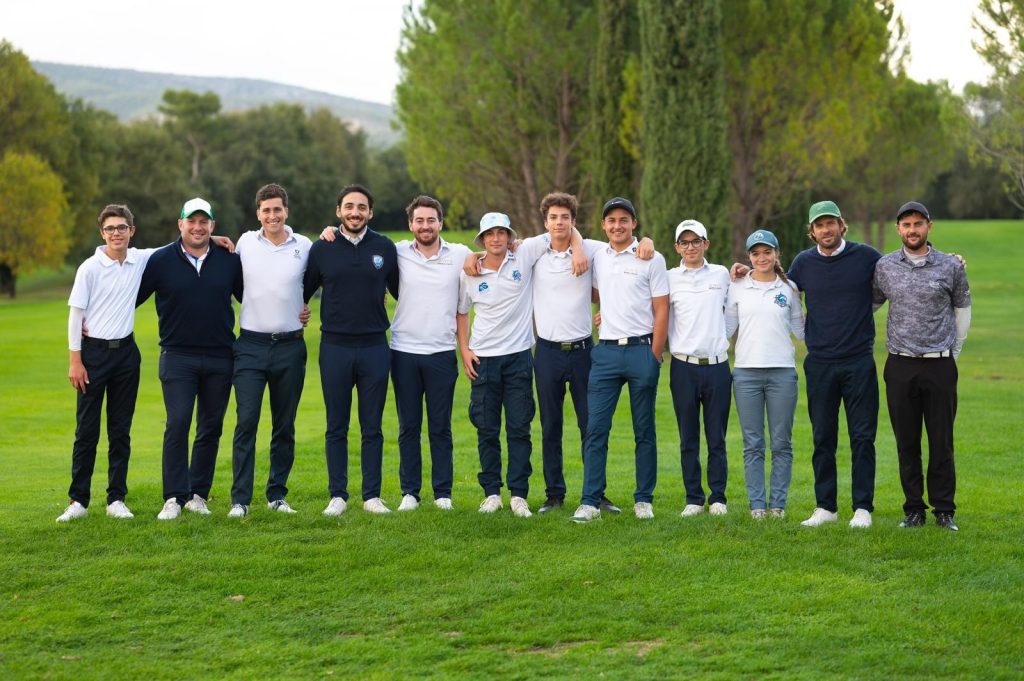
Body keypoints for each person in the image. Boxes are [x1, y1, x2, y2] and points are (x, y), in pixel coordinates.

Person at [530, 191, 650, 516]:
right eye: (554, 217)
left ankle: (596, 494)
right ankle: (554, 494)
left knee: (591, 426)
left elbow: (629, 247)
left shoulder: (594, 249)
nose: (559, 223)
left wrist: (645, 241)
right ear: (545, 222)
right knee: (551, 426)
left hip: (585, 351)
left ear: (573, 222)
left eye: (565, 218)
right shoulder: (535, 251)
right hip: (547, 353)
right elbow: (502, 249)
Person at [137, 197, 244, 520]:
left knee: (210, 427)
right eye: (191, 221)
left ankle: (197, 494)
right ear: (180, 223)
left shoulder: (229, 259)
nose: (197, 227)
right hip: (177, 356)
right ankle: (173, 496)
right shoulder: (160, 261)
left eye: (204, 222)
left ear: (212, 225)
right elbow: (129, 296)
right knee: (178, 423)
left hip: (220, 356)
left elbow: (251, 297)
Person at [872, 201, 970, 531]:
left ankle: (944, 510)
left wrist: (952, 353)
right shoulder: (885, 266)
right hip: (900, 365)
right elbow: (868, 304)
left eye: (918, 223)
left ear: (929, 226)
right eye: (906, 225)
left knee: (941, 441)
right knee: (907, 441)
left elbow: (962, 311)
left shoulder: (951, 266)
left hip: (939, 365)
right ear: (899, 229)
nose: (912, 230)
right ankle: (914, 509)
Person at [572, 197, 669, 522]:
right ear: (603, 226)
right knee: (596, 428)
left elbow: (661, 309)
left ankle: (643, 500)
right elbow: (564, 232)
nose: (617, 225)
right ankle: (589, 501)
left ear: (634, 224)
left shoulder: (651, 258)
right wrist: (603, 314)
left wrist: (654, 356)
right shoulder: (599, 255)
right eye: (611, 220)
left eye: (624, 220)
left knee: (644, 430)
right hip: (607, 354)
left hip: (642, 351)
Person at [304, 184, 399, 516]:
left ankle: (371, 495)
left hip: (375, 347)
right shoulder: (322, 247)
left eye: (361, 207)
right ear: (338, 211)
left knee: (372, 426)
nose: (355, 212)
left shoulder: (385, 247)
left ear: (370, 213)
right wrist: (301, 310)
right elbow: (303, 289)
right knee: (336, 425)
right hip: (335, 348)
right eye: (349, 206)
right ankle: (338, 495)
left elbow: (403, 290)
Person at [58, 205, 154, 522]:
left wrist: (217, 237)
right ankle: (78, 501)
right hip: (93, 355)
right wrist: (76, 360)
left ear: (131, 231)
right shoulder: (89, 268)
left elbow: (180, 245)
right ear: (102, 233)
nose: (116, 233)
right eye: (110, 228)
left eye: (122, 227)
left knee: (120, 430)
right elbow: (76, 315)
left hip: (126, 354)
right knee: (86, 431)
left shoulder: (139, 259)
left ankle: (116, 498)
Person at [227, 183, 311, 518]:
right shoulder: (246, 243)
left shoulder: (304, 245)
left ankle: (277, 495)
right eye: (266, 211)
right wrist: (219, 241)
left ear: (286, 211)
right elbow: (231, 275)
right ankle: (240, 500)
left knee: (284, 424)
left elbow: (318, 280)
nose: (272, 216)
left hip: (290, 346)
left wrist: (304, 306)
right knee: (246, 421)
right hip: (250, 346)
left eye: (277, 209)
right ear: (257, 213)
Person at [457, 212, 547, 517]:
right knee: (486, 428)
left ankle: (519, 494)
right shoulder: (470, 270)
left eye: (501, 233)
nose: (496, 238)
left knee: (520, 428)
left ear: (510, 236)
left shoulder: (523, 258)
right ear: (482, 239)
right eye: (490, 234)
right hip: (483, 359)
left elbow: (562, 230)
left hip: (519, 357)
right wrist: (464, 349)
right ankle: (492, 493)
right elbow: (461, 312)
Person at [389, 196, 470, 511]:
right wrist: (329, 230)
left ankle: (443, 494)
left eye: (431, 220)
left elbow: (492, 254)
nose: (425, 226)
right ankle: (410, 492)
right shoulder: (396, 252)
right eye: (419, 220)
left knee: (440, 426)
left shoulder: (459, 254)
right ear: (411, 224)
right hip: (404, 351)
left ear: (441, 222)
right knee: (408, 425)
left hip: (441, 352)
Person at [726, 230, 804, 520]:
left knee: (782, 443)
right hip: (746, 373)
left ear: (777, 254)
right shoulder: (737, 287)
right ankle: (757, 505)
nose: (762, 258)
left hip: (782, 372)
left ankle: (778, 506)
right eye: (756, 253)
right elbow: (725, 329)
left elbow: (802, 330)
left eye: (767, 252)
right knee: (753, 444)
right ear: (749, 257)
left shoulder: (789, 289)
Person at [667, 219, 732, 518]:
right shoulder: (668, 278)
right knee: (688, 436)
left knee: (716, 437)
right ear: (677, 247)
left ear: (706, 243)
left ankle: (718, 497)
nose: (690, 247)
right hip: (683, 367)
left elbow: (737, 305)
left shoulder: (721, 274)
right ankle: (694, 497)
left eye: (696, 241)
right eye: (685, 242)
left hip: (717, 367)